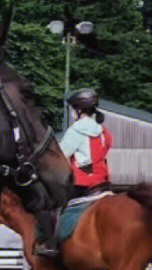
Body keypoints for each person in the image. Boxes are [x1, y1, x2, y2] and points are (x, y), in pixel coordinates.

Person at [33, 88, 113, 258]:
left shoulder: (76, 130)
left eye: (73, 109)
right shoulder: (104, 132)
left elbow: (60, 157)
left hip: (83, 184)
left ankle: (50, 244)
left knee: (50, 205)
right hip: (104, 183)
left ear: (79, 109)